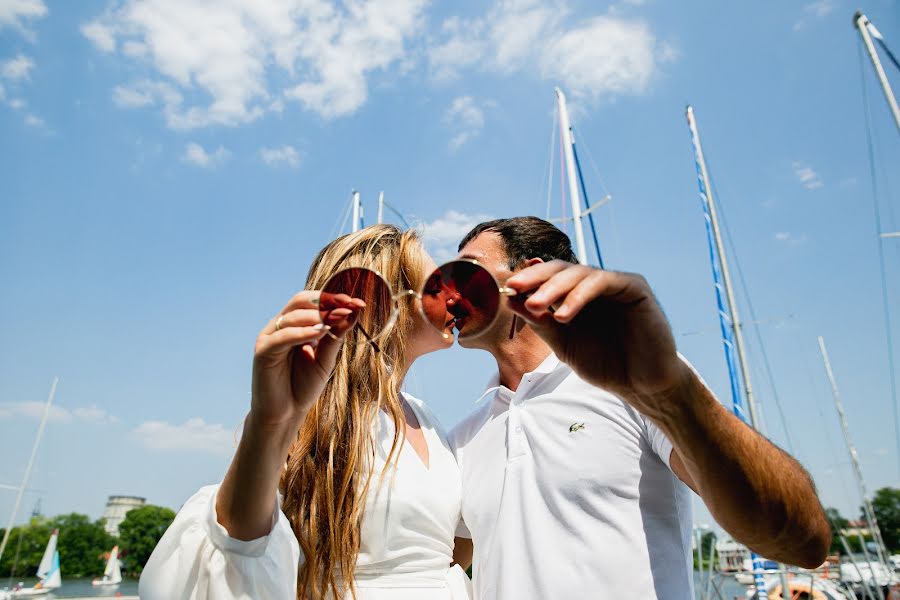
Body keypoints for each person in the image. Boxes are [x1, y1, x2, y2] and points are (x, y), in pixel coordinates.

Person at [447, 216, 831, 599]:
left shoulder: (636, 384)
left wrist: (670, 394)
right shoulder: (464, 437)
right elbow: (426, 566)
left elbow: (803, 543)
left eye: (465, 274)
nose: (449, 294)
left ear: (530, 274)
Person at [139, 225, 472, 600]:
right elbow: (240, 547)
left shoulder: (427, 419)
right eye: (436, 286)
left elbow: (446, 551)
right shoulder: (314, 414)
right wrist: (271, 421)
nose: (455, 297)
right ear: (379, 301)